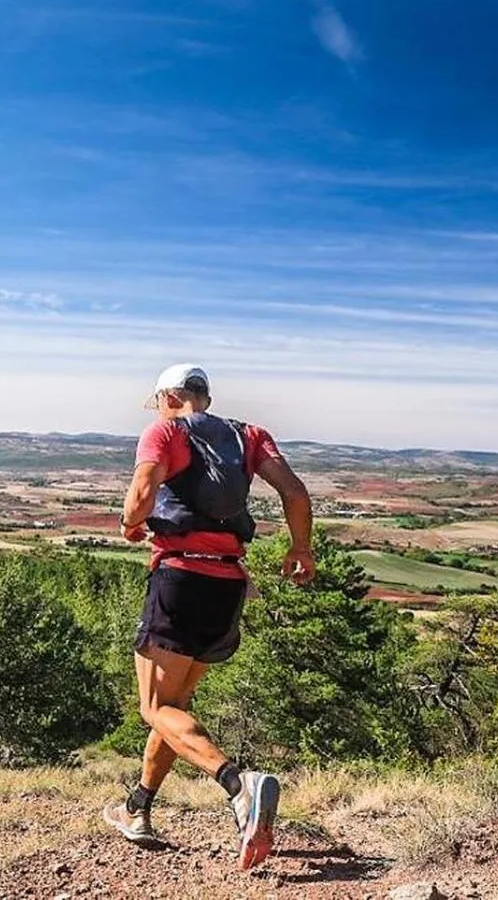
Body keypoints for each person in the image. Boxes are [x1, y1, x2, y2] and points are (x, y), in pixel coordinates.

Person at [100, 364, 315, 872]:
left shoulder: (166, 430)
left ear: (169, 397)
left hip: (181, 579)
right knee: (176, 706)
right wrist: (301, 547)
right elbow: (296, 492)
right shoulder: (248, 436)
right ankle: (138, 808)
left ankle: (239, 787)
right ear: (206, 396)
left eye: (156, 402)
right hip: (228, 584)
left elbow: (143, 489)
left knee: (154, 708)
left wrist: (130, 523)